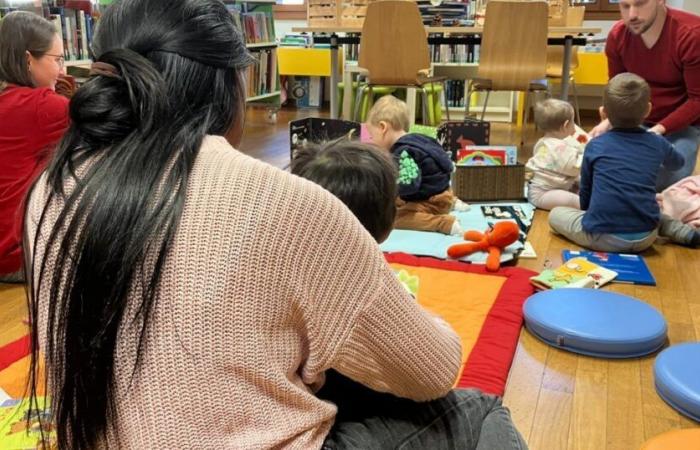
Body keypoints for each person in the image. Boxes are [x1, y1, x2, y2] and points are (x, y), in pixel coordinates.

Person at [22, 1, 526, 449]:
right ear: (231, 85)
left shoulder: (49, 188)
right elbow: (433, 371)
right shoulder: (288, 206)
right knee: (478, 410)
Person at [291, 139, 528, 449]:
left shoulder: (278, 268)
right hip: (335, 427)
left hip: (284, 417)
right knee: (483, 408)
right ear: (389, 219)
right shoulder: (367, 288)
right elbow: (436, 375)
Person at [550, 73, 700, 252]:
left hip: (602, 236)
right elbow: (677, 164)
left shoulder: (595, 145)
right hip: (647, 235)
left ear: (603, 113)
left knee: (556, 214)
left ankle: (664, 226)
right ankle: (679, 230)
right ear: (648, 109)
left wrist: (592, 211)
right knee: (647, 210)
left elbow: (586, 192)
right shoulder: (657, 142)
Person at [590, 0, 700, 191]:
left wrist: (656, 132)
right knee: (592, 161)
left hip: (682, 126)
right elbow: (618, 89)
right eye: (625, 6)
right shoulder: (618, 36)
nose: (632, 14)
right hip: (633, 120)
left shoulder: (691, 34)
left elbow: (697, 100)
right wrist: (608, 121)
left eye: (640, 4)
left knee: (664, 181)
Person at [0, 11, 69, 283]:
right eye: (58, 60)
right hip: (21, 257)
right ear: (29, 60)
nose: (62, 70)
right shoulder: (44, 107)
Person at [365, 95, 469, 236]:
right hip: (445, 192)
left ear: (383, 127)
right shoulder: (421, 139)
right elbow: (448, 163)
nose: (371, 141)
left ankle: (444, 224)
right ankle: (452, 203)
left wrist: (389, 188)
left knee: (393, 219)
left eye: (371, 136)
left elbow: (410, 185)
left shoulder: (401, 152)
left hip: (431, 202)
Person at [526, 99, 588, 210]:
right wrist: (587, 153)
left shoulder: (544, 141)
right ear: (565, 126)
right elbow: (574, 168)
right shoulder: (560, 147)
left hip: (543, 186)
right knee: (572, 200)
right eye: (573, 122)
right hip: (544, 194)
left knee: (579, 183)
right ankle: (588, 206)